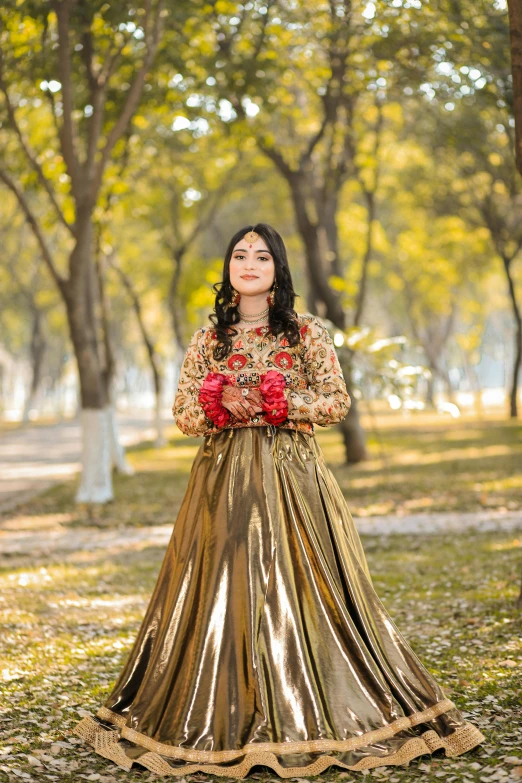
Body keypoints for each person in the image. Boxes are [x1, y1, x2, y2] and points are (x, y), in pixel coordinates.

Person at [73, 223, 485, 778]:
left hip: (292, 479)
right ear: (227, 268)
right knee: (225, 589)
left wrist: (277, 401)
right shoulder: (208, 339)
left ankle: (311, 703)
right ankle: (226, 707)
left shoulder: (305, 332)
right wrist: (220, 402)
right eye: (239, 255)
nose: (248, 263)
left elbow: (335, 401)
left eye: (261, 256)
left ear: (277, 269)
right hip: (221, 486)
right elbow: (184, 415)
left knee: (303, 587)